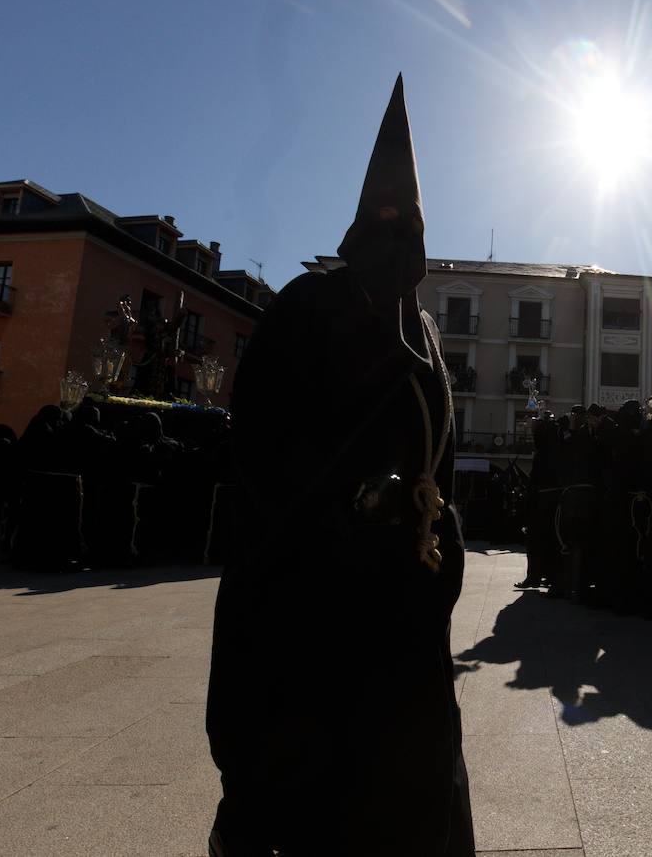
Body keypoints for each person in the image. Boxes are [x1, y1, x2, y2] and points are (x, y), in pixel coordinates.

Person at [206, 75, 474, 856]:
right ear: (357, 228)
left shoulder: (428, 335)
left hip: (402, 611)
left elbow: (442, 468)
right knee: (297, 782)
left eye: (407, 227)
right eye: (380, 223)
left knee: (409, 786)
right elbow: (258, 440)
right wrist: (341, 514)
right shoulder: (305, 305)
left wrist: (434, 543)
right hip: (309, 596)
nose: (394, 237)